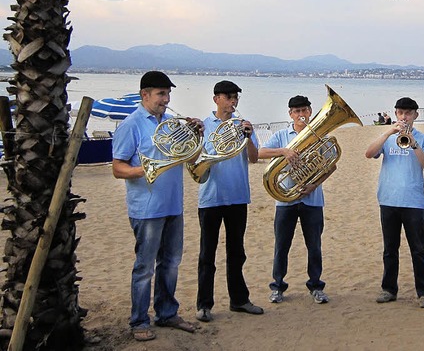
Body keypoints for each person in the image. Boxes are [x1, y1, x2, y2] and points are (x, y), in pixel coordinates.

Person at [112, 71, 201, 341]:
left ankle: (166, 313)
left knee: (171, 263)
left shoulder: (172, 123)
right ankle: (139, 321)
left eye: (168, 93)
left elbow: (191, 157)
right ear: (145, 95)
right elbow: (118, 168)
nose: (167, 98)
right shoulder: (132, 124)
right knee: (144, 267)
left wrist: (197, 134)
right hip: (147, 209)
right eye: (161, 93)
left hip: (174, 204)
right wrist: (145, 170)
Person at [195, 80, 263, 323]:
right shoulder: (203, 126)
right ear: (216, 99)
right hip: (211, 198)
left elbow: (254, 159)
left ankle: (239, 300)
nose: (233, 101)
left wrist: (249, 137)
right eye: (228, 96)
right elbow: (195, 161)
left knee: (236, 252)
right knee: (207, 255)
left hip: (237, 197)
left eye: (235, 97)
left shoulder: (242, 126)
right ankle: (204, 304)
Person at [258, 95, 333, 305]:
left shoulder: (319, 135)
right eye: (296, 111)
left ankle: (316, 285)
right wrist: (283, 151)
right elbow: (260, 152)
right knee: (282, 245)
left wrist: (314, 184)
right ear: (290, 114)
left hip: (312, 200)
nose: (301, 115)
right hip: (285, 200)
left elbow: (330, 164)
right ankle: (278, 286)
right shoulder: (282, 135)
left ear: (310, 111)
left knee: (314, 246)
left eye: (304, 110)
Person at [364, 97, 424, 309]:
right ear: (395, 114)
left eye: (408, 113)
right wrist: (388, 132)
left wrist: (414, 144)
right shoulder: (387, 138)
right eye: (400, 113)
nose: (404, 117)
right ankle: (389, 289)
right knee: (390, 249)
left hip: (414, 201)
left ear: (415, 115)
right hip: (388, 199)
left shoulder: (423, 139)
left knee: (418, 249)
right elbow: (369, 153)